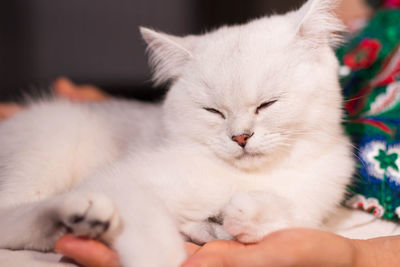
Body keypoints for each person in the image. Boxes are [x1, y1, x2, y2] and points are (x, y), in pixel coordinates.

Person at [1, 0, 400, 266]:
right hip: (92, 137)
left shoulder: (327, 170)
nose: (241, 133)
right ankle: (19, 217)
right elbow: (118, 184)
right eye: (215, 112)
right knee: (59, 128)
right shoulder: (194, 158)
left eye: (266, 106)